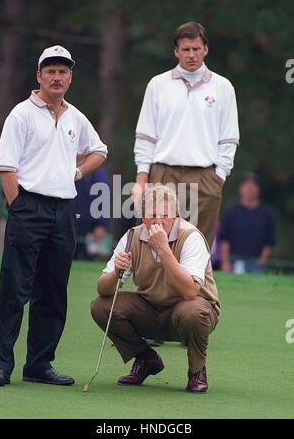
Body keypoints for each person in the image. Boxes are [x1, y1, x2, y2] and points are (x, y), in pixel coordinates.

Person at [0, 45, 108, 387]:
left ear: (70, 76)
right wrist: (18, 207)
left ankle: (40, 364)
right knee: (14, 289)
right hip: (28, 206)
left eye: (63, 71)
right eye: (50, 71)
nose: (57, 77)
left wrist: (74, 173)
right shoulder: (21, 114)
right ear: (39, 76)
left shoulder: (75, 117)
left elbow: (99, 150)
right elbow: (5, 166)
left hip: (62, 211)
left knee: (53, 290)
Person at [91, 185, 220, 393]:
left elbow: (190, 292)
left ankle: (197, 370)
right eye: (151, 215)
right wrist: (116, 272)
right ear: (142, 216)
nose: (158, 221)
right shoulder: (132, 236)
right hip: (150, 308)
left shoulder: (191, 236)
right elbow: (102, 289)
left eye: (165, 215)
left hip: (190, 310)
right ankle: (146, 358)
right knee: (100, 307)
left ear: (176, 215)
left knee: (192, 310)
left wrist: (163, 249)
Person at [132, 21, 239, 249]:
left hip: (205, 178)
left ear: (206, 49)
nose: (191, 55)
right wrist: (142, 178)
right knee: (158, 245)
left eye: (196, 48)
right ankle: (158, 287)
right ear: (176, 52)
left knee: (198, 248)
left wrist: (219, 177)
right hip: (163, 174)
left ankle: (196, 287)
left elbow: (229, 139)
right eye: (186, 49)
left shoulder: (223, 87)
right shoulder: (157, 85)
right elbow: (145, 137)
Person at [220, 173, 276, 273]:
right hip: (234, 262)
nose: (250, 188)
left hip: (256, 264)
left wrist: (261, 262)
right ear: (240, 188)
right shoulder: (230, 213)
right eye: (246, 185)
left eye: (253, 185)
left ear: (259, 189)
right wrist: (225, 262)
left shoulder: (267, 215)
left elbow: (269, 242)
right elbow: (224, 239)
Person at [74, 166, 112, 261]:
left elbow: (103, 198)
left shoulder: (97, 173)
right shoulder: (67, 164)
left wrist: (101, 224)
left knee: (87, 259)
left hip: (88, 226)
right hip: (68, 221)